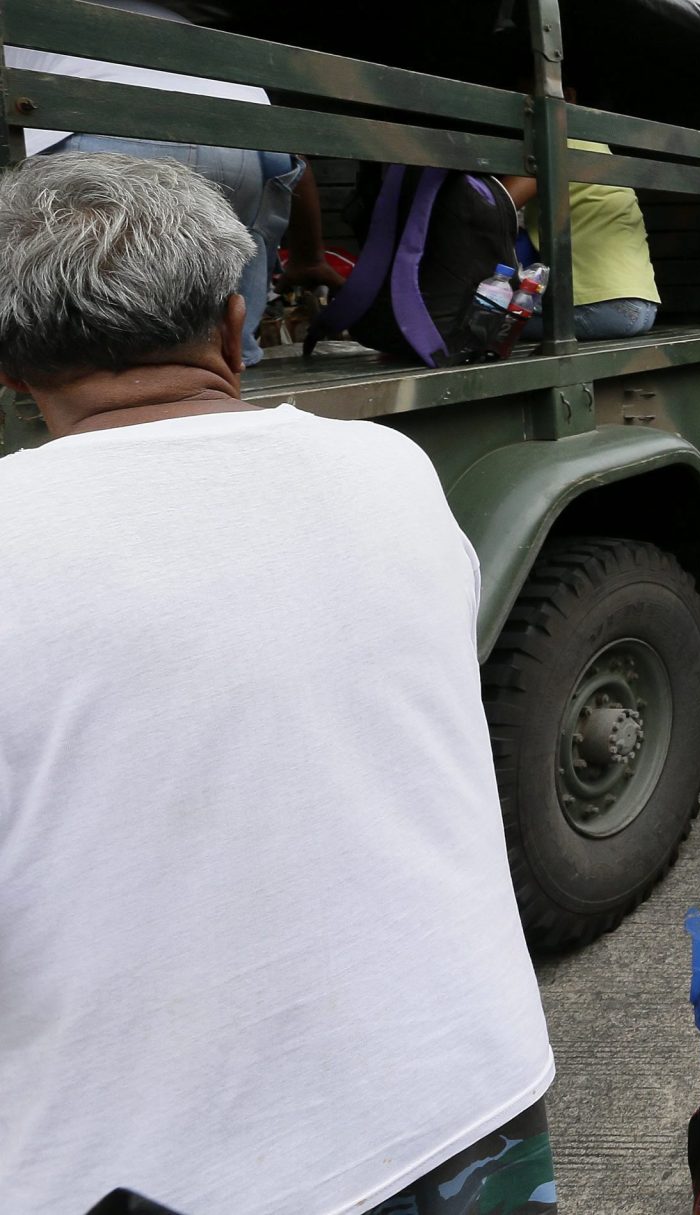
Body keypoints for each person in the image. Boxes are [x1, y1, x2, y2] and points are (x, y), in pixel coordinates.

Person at [0, 153, 556, 1213]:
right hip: (465, 1104)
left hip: (138, 1173)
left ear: (10, 369)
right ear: (229, 324)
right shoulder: (390, 472)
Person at [2, 0, 342, 367]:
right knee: (223, 283)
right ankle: (229, 365)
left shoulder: (27, 15)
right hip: (246, 141)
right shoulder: (181, 25)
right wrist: (309, 257)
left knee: (77, 293)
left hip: (99, 124)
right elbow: (298, 167)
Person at [506, 133, 660, 341]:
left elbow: (496, 202)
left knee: (487, 321)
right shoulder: (593, 145)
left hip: (602, 307)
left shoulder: (552, 140)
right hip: (643, 307)